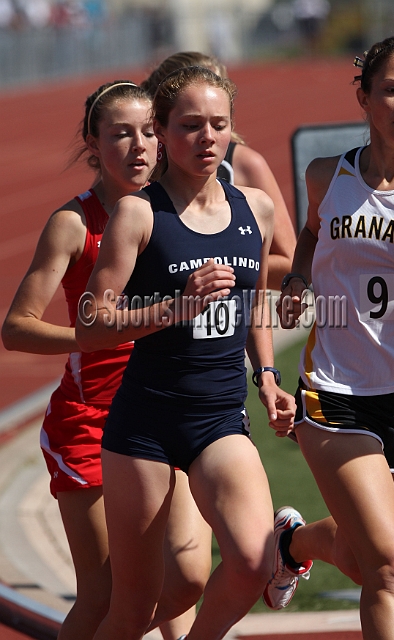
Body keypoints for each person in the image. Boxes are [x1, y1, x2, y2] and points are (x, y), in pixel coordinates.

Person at [75, 65, 296, 640]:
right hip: (144, 425)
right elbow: (93, 320)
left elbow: (255, 304)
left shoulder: (256, 210)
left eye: (218, 125)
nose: (206, 138)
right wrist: (174, 307)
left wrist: (267, 375)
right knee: (133, 607)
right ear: (163, 131)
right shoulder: (138, 212)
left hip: (220, 419)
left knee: (254, 561)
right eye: (190, 125)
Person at [1, 80, 211, 640]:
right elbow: (16, 329)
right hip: (91, 423)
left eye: (148, 132)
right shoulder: (75, 224)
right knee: (106, 597)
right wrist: (92, 338)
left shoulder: (180, 211)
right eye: (121, 134)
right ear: (93, 143)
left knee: (186, 579)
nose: (139, 146)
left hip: (166, 415)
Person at [267, 36, 394, 640]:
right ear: (363, 95)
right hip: (336, 390)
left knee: (364, 560)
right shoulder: (327, 175)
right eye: (390, 89)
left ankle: (293, 542)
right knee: (390, 567)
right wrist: (300, 277)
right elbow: (309, 233)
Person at [142, 51, 297, 291]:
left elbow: (290, 263)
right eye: (192, 123)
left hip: (237, 317)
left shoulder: (244, 164)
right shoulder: (135, 163)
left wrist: (220, 265)